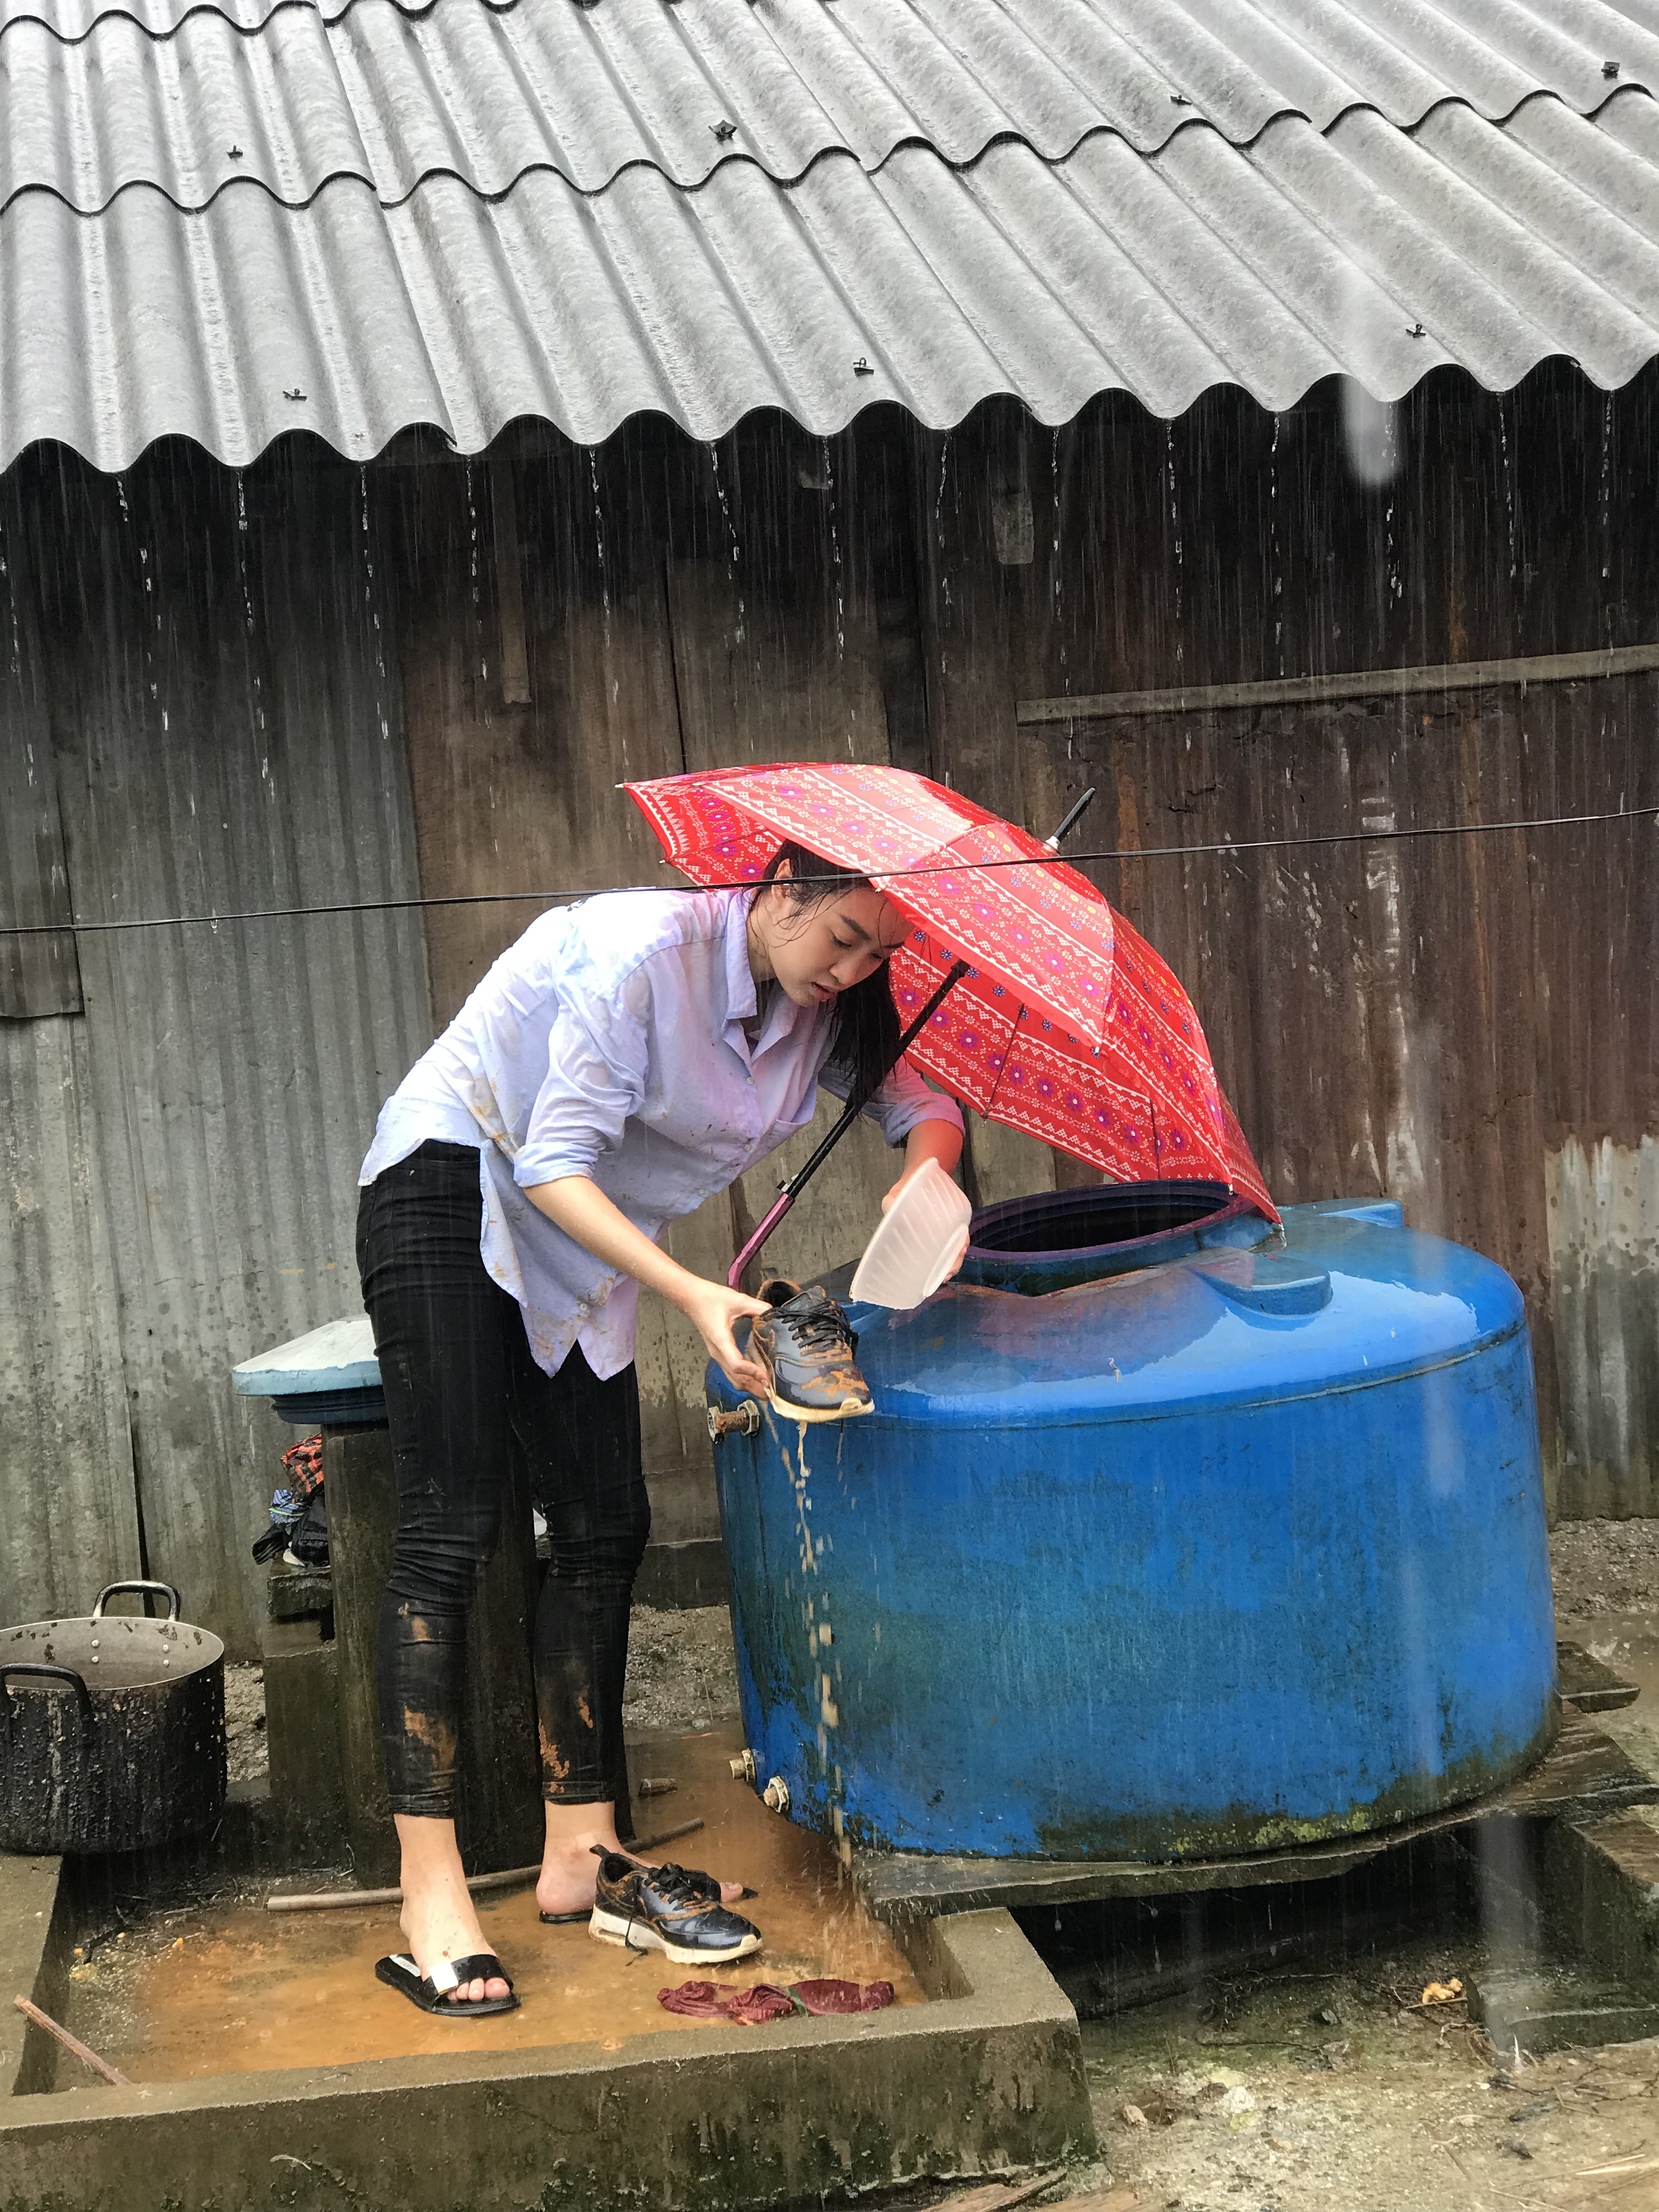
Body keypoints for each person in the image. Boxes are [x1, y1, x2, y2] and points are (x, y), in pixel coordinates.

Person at [355, 842, 964, 2011]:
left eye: (880, 954)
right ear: (780, 887)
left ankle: (583, 1853)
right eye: (844, 937)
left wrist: (925, 1177)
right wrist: (694, 1295)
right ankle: (427, 1890)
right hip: (459, 1170)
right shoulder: (642, 955)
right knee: (452, 1526)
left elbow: (925, 1105)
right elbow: (550, 1160)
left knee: (605, 1525)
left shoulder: (824, 1010)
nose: (853, 970)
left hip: (589, 1232)